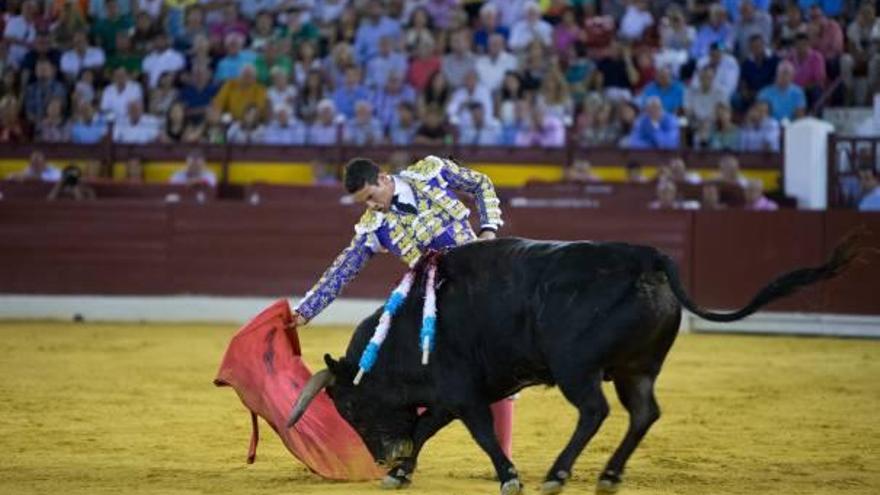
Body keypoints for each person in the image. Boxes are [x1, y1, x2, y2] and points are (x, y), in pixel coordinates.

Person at [290, 156, 514, 461]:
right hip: (437, 301)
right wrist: (305, 310)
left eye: (370, 196)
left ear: (382, 178)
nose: (371, 206)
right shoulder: (375, 226)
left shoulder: (431, 172)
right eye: (362, 203)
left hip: (479, 284)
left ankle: (503, 453)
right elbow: (343, 269)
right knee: (423, 367)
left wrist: (488, 229)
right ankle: (404, 446)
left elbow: (480, 183)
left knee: (499, 361)